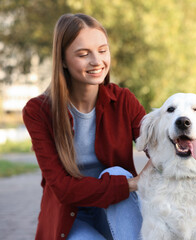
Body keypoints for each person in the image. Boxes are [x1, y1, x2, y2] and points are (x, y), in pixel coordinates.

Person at [22, 13, 150, 239]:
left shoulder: (123, 101)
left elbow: (161, 147)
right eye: (83, 54)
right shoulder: (38, 112)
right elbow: (63, 188)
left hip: (118, 209)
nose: (97, 61)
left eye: (103, 50)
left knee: (115, 172)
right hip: (70, 218)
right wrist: (132, 184)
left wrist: (149, 176)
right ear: (62, 60)